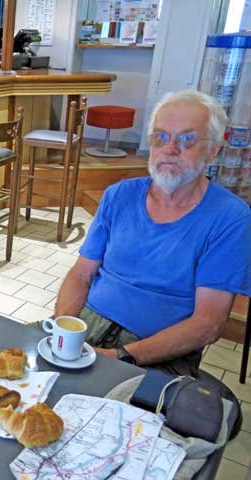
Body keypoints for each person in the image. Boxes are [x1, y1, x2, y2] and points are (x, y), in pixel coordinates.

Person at [52, 89, 251, 377]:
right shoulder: (118, 195)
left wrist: (120, 356)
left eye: (187, 139)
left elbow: (208, 324)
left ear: (214, 150)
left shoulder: (230, 218)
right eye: (161, 136)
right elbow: (82, 273)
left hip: (156, 350)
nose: (170, 149)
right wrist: (63, 329)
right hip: (88, 324)